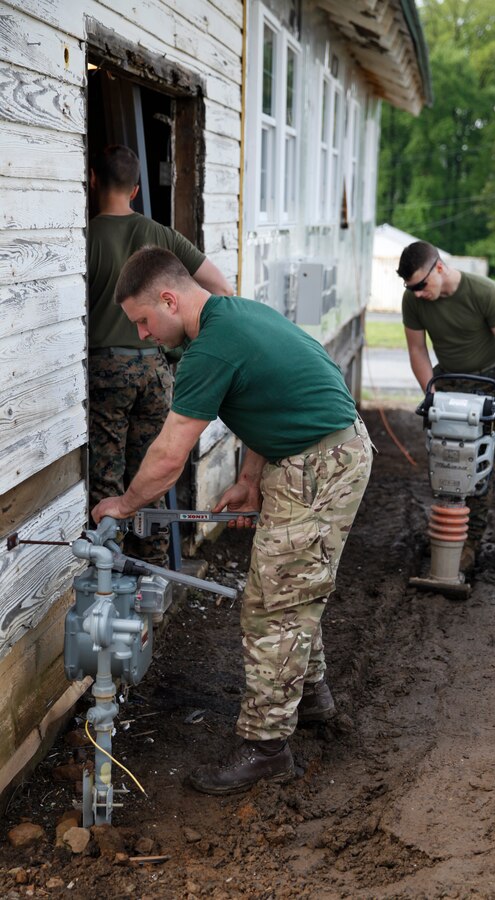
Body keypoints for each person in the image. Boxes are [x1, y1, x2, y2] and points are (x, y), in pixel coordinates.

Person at [91, 246, 373, 794]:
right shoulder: (231, 314)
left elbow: (169, 456)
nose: (144, 335)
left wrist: (123, 505)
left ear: (169, 300)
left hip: (321, 465)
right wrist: (248, 479)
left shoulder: (210, 350)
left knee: (274, 607)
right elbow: (270, 403)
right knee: (286, 589)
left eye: (144, 321)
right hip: (310, 452)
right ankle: (311, 699)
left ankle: (266, 747)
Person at [88, 144, 233, 566]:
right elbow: (221, 288)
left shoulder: (83, 236)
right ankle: (152, 572)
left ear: (93, 180)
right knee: (151, 469)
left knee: (106, 476)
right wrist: (187, 348)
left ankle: (109, 572)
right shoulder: (161, 236)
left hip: (105, 372)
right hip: (154, 371)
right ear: (135, 190)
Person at [397, 241, 495, 572]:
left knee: (477, 469)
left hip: (487, 382)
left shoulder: (483, 292)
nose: (417, 294)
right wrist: (431, 392)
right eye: (411, 288)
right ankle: (445, 534)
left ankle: (469, 544)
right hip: (448, 382)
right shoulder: (413, 300)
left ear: (439, 267)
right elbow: (417, 350)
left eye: (421, 285)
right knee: (446, 460)